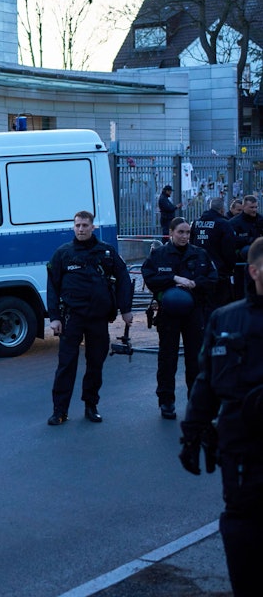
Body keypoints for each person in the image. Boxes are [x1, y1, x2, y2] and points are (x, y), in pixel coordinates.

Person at [180, 235, 263, 597]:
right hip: (242, 448)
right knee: (242, 529)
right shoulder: (226, 319)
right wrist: (192, 433)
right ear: (256, 271)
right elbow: (207, 383)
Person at [46, 210, 133, 426]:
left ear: (93, 227)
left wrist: (126, 309)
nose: (81, 229)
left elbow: (123, 278)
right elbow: (52, 287)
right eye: (78, 225)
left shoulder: (106, 252)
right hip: (71, 318)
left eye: (85, 225)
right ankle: (60, 411)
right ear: (73, 227)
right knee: (66, 365)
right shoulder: (63, 254)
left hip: (98, 319)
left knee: (95, 364)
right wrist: (54, 318)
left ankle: (91, 406)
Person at [142, 217, 217, 420]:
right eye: (180, 232)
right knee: (168, 358)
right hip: (168, 314)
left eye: (187, 233)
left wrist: (194, 284)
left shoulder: (200, 254)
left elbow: (213, 279)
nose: (184, 236)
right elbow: (148, 276)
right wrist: (173, 279)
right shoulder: (159, 255)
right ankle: (166, 401)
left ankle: (196, 401)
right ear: (171, 232)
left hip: (194, 312)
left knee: (195, 359)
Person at [190, 197, 238, 312]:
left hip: (198, 270)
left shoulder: (196, 223)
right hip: (218, 271)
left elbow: (191, 243)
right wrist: (230, 267)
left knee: (201, 305)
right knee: (219, 305)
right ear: (222, 210)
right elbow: (229, 249)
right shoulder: (223, 224)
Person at [230, 195, 263, 299]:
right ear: (244, 207)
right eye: (251, 207)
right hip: (242, 253)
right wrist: (250, 240)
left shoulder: (260, 220)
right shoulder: (234, 222)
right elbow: (233, 241)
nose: (254, 210)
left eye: (256, 207)